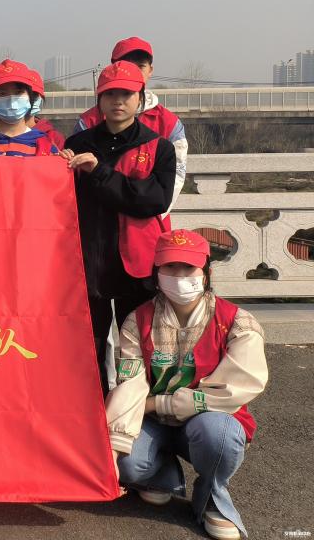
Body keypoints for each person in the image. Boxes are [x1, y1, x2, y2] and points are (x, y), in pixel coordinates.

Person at [106, 229, 267, 540]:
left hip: (208, 420)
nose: (179, 276)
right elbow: (130, 384)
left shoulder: (237, 322)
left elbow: (238, 387)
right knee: (127, 462)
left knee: (219, 437)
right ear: (156, 273)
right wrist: (113, 449)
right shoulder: (137, 321)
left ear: (206, 273)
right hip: (154, 422)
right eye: (170, 267)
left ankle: (213, 499)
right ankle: (161, 475)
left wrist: (161, 402)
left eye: (188, 267)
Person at [61, 61, 176, 390]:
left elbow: (153, 200)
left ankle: (140, 408)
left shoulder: (159, 147)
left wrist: (99, 172)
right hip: (88, 263)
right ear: (99, 100)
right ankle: (93, 409)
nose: (118, 101)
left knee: (138, 345)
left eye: (126, 94)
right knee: (88, 346)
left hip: (136, 266)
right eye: (110, 94)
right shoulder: (78, 144)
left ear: (140, 98)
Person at [75, 37, 187, 210]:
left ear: (150, 70)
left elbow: (175, 179)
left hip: (148, 221)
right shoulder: (86, 123)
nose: (131, 71)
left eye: (140, 66)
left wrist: (149, 214)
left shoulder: (169, 123)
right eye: (126, 65)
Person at [0, 60, 60, 157]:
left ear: (30, 98)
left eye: (18, 92)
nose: (11, 100)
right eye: (2, 93)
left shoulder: (46, 145)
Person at [26, 68, 66, 149]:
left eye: (34, 95)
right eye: (20, 94)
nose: (30, 100)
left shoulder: (54, 138)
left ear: (41, 98)